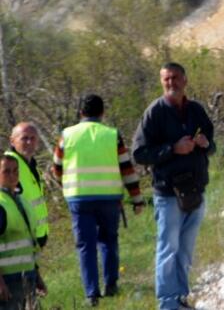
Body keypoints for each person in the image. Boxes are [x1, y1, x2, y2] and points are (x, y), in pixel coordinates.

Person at [133, 63, 215, 310]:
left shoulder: (196, 110)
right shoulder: (154, 113)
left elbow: (212, 144)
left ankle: (181, 297)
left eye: (175, 78)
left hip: (195, 190)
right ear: (162, 82)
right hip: (168, 193)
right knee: (168, 249)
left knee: (185, 250)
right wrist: (172, 149)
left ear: (185, 81)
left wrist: (204, 143)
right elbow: (140, 153)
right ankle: (167, 303)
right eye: (167, 79)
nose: (171, 83)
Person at [54, 94, 144, 307]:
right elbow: (127, 169)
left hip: (79, 197)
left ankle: (91, 294)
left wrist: (67, 184)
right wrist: (137, 199)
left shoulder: (66, 135)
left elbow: (57, 168)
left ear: (80, 113)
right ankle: (111, 285)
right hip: (109, 197)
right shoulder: (112, 135)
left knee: (85, 245)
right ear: (103, 113)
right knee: (108, 240)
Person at [0, 154, 45, 309]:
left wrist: (36, 274)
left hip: (27, 276)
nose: (12, 176)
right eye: (6, 171)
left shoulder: (23, 201)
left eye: (15, 171)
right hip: (8, 281)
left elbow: (28, 241)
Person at [7, 124, 48, 248]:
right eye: (24, 138)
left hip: (36, 236)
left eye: (33, 138)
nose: (29, 142)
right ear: (12, 141)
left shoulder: (32, 166)